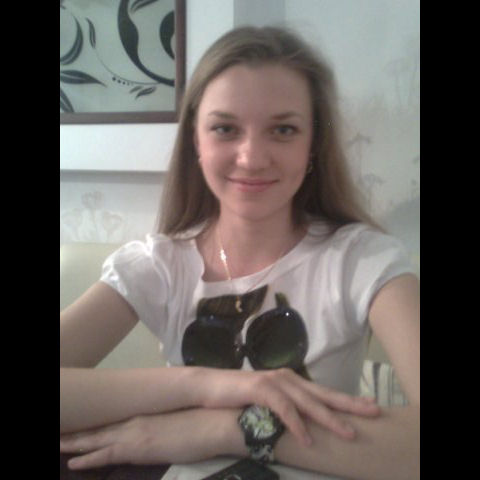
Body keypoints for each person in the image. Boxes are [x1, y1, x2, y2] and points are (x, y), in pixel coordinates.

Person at [60, 26, 420, 480]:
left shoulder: (364, 260)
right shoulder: (159, 264)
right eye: (225, 128)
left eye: (283, 130)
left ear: (313, 144)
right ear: (196, 140)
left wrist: (230, 428)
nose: (251, 157)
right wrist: (205, 385)